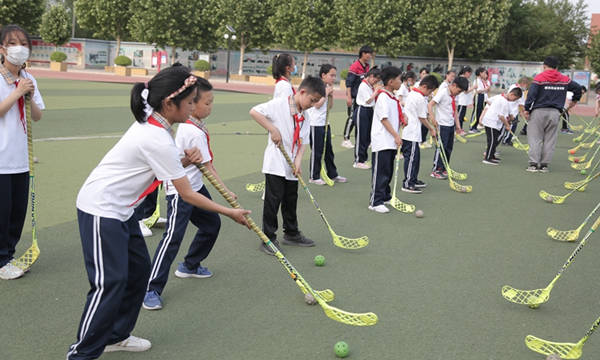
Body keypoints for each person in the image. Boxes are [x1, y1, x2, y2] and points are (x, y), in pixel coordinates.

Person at [68, 65, 250, 359]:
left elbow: (162, 162)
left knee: (139, 273)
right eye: (190, 102)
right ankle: (81, 353)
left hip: (122, 210)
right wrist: (229, 213)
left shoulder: (156, 122)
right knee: (109, 284)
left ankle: (116, 336)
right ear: (169, 103)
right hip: (101, 208)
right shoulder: (157, 136)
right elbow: (187, 193)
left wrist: (184, 161)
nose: (193, 107)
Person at [143, 76, 234, 311]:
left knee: (211, 225)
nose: (209, 107)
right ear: (191, 104)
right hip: (180, 191)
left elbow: (201, 164)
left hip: (195, 187)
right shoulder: (191, 131)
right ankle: (151, 288)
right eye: (206, 102)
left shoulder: (195, 127)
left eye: (211, 102)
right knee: (172, 238)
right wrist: (227, 193)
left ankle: (190, 265)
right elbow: (209, 168)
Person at [250, 76, 325, 254]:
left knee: (291, 200)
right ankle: (267, 238)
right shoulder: (278, 105)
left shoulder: (305, 116)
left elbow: (303, 142)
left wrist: (298, 162)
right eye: (312, 100)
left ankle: (291, 233)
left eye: (315, 102)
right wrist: (272, 129)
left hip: (291, 164)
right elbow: (254, 112)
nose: (312, 104)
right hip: (276, 162)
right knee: (273, 200)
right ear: (302, 92)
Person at [0, 25, 44, 280]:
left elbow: (37, 116)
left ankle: (8, 255)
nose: (19, 47)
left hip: (21, 159)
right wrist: (16, 92)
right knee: (2, 214)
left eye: (23, 43)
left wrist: (29, 94)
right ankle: (2, 259)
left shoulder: (29, 78)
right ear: (3, 49)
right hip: (1, 160)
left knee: (17, 212)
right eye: (12, 42)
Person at [524, 56, 582, 173]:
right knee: (550, 139)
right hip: (555, 113)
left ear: (544, 66)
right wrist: (575, 100)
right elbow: (577, 88)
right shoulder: (564, 79)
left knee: (535, 138)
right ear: (557, 67)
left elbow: (531, 95)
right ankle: (544, 165)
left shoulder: (539, 78)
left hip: (538, 112)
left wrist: (527, 109)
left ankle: (534, 164)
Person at [368, 66, 403, 213]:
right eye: (399, 79)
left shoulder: (392, 97)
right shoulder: (383, 96)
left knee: (387, 170)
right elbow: (384, 119)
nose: (401, 82)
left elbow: (394, 116)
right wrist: (396, 135)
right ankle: (375, 201)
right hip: (382, 140)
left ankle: (385, 196)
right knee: (380, 172)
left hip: (390, 141)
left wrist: (403, 118)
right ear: (390, 81)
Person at [306, 64, 346, 185]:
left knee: (329, 150)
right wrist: (325, 93)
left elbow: (329, 106)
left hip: (325, 123)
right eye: (331, 75)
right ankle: (314, 176)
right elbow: (316, 105)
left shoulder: (327, 87)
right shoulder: (316, 87)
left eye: (335, 76)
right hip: (315, 123)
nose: (334, 78)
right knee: (317, 151)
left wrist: (331, 95)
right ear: (323, 75)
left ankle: (332, 174)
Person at [402, 75, 439, 194]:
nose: (429, 94)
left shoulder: (415, 94)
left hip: (413, 132)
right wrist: (432, 129)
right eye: (430, 91)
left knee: (415, 158)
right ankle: (408, 183)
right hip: (411, 133)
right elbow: (422, 117)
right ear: (424, 86)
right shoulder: (418, 97)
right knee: (411, 159)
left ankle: (413, 179)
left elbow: (423, 115)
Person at [429, 77, 469, 179]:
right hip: (442, 125)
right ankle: (436, 169)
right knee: (441, 147)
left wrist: (458, 125)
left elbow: (454, 110)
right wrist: (433, 118)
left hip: (450, 125)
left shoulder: (453, 95)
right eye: (459, 91)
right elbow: (430, 104)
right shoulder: (443, 92)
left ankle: (444, 168)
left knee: (448, 148)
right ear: (454, 85)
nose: (458, 93)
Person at [481, 87, 523, 165]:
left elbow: (509, 113)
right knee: (492, 141)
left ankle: (492, 156)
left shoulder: (503, 99)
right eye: (515, 99)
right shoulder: (503, 101)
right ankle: (487, 158)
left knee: (495, 140)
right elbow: (501, 116)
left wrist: (511, 118)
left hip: (495, 123)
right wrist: (507, 125)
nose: (514, 101)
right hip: (491, 122)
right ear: (511, 94)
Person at [342, 45, 373, 148]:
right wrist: (349, 97)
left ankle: (362, 140)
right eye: (368, 53)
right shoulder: (355, 66)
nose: (370, 55)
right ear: (363, 54)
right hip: (354, 97)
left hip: (363, 98)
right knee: (352, 117)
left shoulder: (367, 66)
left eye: (370, 53)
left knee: (361, 119)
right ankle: (345, 139)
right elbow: (349, 83)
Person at [353, 66, 382, 169]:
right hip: (362, 110)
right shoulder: (363, 85)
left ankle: (363, 158)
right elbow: (368, 100)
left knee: (366, 137)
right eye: (376, 79)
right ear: (371, 76)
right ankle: (358, 160)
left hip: (369, 111)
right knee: (361, 136)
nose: (376, 82)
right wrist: (376, 92)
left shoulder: (370, 86)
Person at [500, 77, 530, 145]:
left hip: (510, 109)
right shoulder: (519, 91)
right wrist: (524, 113)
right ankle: (506, 140)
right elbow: (521, 105)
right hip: (512, 111)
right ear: (523, 84)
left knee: (509, 125)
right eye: (526, 86)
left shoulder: (513, 86)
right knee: (512, 125)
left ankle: (506, 139)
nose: (526, 88)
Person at [469, 67, 490, 133]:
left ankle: (475, 126)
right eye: (484, 73)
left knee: (480, 112)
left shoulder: (482, 80)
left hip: (483, 96)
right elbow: (478, 91)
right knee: (476, 111)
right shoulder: (477, 80)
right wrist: (485, 89)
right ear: (480, 73)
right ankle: (472, 127)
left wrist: (486, 89)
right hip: (478, 96)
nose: (485, 74)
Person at [456, 66, 474, 132]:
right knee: (459, 116)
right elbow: (465, 91)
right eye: (469, 74)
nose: (470, 75)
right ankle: (458, 129)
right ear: (466, 72)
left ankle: (460, 128)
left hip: (464, 101)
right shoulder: (461, 78)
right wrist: (473, 87)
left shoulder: (465, 79)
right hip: (461, 101)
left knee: (462, 116)